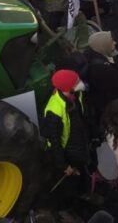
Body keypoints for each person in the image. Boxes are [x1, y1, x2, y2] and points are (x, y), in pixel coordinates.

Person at [42, 69, 90, 206]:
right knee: (71, 182)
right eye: (77, 82)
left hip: (79, 143)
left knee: (81, 172)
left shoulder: (75, 94)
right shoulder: (54, 110)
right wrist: (63, 165)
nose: (80, 83)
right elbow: (54, 141)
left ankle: (83, 192)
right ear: (68, 88)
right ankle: (71, 203)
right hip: (68, 151)